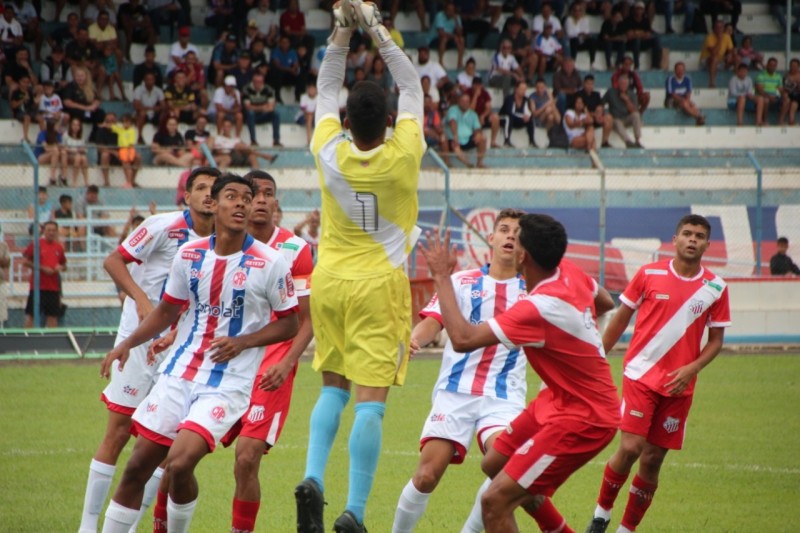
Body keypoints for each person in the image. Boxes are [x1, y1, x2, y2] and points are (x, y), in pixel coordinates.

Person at [97, 174, 298, 533]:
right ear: (215, 205)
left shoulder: (271, 262)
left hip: (228, 383)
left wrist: (243, 342)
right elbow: (167, 311)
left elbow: (290, 323)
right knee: (137, 466)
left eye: (246, 198)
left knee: (178, 463)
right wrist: (126, 344)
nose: (241, 203)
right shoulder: (189, 255)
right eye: (231, 197)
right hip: (179, 373)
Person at [293, 3, 425, 532]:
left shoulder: (329, 151)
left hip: (328, 281)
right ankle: (355, 512)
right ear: (390, 123)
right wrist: (376, 28)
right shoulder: (404, 155)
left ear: (346, 122)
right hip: (379, 286)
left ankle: (311, 478)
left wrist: (343, 32)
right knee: (370, 403)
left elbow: (326, 87)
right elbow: (412, 85)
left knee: (332, 388)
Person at [417, 214, 619, 533]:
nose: (511, 241)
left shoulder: (537, 308)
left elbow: (463, 339)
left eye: (518, 238)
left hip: (584, 417)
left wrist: (441, 277)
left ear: (523, 256)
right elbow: (605, 300)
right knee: (493, 463)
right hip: (557, 399)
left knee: (494, 501)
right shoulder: (570, 273)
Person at [77, 167, 220, 533]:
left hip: (180, 348)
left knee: (163, 443)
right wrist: (140, 299)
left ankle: (134, 521)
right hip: (139, 341)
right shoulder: (161, 226)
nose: (207, 194)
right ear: (185, 196)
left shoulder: (224, 242)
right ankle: (88, 525)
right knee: (120, 431)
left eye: (213, 189)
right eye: (199, 188)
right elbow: (113, 260)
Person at [585, 214, 731, 533]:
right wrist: (597, 359)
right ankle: (601, 514)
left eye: (700, 235)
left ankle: (626, 529)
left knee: (652, 460)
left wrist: (692, 368)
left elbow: (717, 340)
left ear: (707, 244)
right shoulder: (648, 274)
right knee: (630, 448)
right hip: (640, 375)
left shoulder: (716, 287)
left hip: (679, 386)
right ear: (675, 239)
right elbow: (621, 319)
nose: (693, 239)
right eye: (687, 234)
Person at [391, 209, 528, 533]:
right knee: (427, 475)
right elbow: (433, 321)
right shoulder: (461, 281)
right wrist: (414, 340)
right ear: (490, 238)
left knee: (505, 469)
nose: (510, 236)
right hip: (456, 390)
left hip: (504, 396)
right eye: (504, 230)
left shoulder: (532, 291)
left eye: (518, 233)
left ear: (525, 246)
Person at [214, 171, 314, 532]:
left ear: (275, 203)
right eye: (253, 193)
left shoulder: (295, 250)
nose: (259, 200)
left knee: (246, 458)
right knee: (175, 453)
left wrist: (288, 363)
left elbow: (307, 319)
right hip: (223, 361)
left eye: (267, 194)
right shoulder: (220, 246)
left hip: (271, 365)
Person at [22, 221, 67, 328]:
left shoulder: (59, 247)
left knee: (52, 317)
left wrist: (59, 268)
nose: (51, 233)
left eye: (53, 230)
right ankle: (26, 340)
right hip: (37, 287)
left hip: (53, 288)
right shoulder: (36, 244)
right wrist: (42, 268)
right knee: (31, 315)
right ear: (44, 231)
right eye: (49, 230)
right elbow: (25, 261)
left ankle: (52, 342)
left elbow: (64, 265)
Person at [446, 92, 486, 168]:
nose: (465, 103)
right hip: (454, 139)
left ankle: (479, 163)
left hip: (468, 139)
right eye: (463, 101)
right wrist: (455, 136)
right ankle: (468, 164)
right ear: (459, 102)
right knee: (455, 145)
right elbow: (452, 122)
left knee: (482, 137)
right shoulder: (453, 109)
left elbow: (477, 128)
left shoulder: (473, 114)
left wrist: (478, 134)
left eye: (467, 101)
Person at [603, 74, 644, 148]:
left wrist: (627, 100)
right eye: (622, 83)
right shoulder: (611, 92)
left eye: (625, 84)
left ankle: (637, 140)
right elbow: (601, 103)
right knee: (617, 121)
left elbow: (634, 110)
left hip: (626, 118)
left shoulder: (631, 94)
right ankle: (628, 142)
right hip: (615, 119)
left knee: (636, 115)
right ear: (618, 84)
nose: (623, 85)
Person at [243, 73, 282, 147]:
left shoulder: (268, 89)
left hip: (263, 115)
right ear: (253, 81)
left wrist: (255, 107)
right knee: (250, 113)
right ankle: (253, 140)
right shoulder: (246, 89)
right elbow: (247, 107)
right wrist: (263, 107)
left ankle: (276, 140)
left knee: (276, 114)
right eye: (256, 81)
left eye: (260, 82)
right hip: (251, 116)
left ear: (263, 82)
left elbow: (271, 107)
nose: (258, 84)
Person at [701, 19, 737, 89]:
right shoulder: (709, 37)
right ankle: (712, 83)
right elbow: (714, 53)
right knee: (714, 59)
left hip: (720, 61)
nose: (719, 29)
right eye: (717, 27)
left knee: (737, 58)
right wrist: (720, 40)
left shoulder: (727, 36)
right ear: (714, 28)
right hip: (707, 61)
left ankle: (736, 81)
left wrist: (729, 54)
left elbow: (731, 49)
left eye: (721, 27)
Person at [429, 0, 464, 69]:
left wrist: (456, 21)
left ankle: (459, 63)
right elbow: (441, 33)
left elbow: (460, 33)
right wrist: (454, 37)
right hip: (435, 40)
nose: (450, 12)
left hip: (449, 39)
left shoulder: (456, 17)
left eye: (452, 10)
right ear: (445, 10)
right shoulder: (439, 15)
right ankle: (440, 62)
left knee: (462, 40)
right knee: (444, 39)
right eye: (449, 10)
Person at [133, 71, 165, 143]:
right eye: (148, 79)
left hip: (154, 113)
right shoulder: (138, 89)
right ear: (144, 80)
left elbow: (163, 106)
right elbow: (136, 105)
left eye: (152, 79)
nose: (150, 81)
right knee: (142, 113)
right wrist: (152, 108)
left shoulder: (158, 90)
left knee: (164, 113)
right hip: (142, 113)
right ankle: (140, 137)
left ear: (154, 80)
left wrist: (152, 108)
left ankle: (161, 136)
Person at [499, 82, 534, 147]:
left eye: (525, 89)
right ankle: (507, 140)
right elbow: (509, 112)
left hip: (517, 120)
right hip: (504, 118)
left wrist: (528, 116)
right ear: (516, 89)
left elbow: (528, 112)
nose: (524, 91)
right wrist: (522, 117)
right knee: (508, 118)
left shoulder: (526, 99)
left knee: (530, 120)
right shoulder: (510, 99)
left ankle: (532, 141)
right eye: (522, 89)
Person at [755, 57, 783, 126]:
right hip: (764, 96)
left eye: (774, 65)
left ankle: (780, 121)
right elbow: (760, 90)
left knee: (787, 99)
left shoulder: (778, 76)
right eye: (771, 65)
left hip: (775, 96)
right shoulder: (761, 76)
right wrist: (770, 97)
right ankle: (765, 120)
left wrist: (783, 95)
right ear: (767, 65)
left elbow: (780, 89)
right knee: (766, 100)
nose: (772, 67)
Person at [63, 117, 89, 187]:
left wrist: (82, 150)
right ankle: (74, 181)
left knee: (83, 158)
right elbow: (64, 148)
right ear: (71, 126)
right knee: (78, 157)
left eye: (77, 125)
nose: (75, 127)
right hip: (69, 155)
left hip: (79, 155)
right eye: (74, 125)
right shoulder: (66, 135)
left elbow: (85, 149)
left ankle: (86, 181)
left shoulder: (82, 137)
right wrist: (75, 151)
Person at [779, 58, 800, 126]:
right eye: (791, 66)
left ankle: (791, 119)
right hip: (790, 94)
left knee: (795, 99)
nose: (793, 67)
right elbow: (785, 87)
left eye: (795, 66)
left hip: (797, 95)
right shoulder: (786, 75)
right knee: (790, 99)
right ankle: (784, 120)